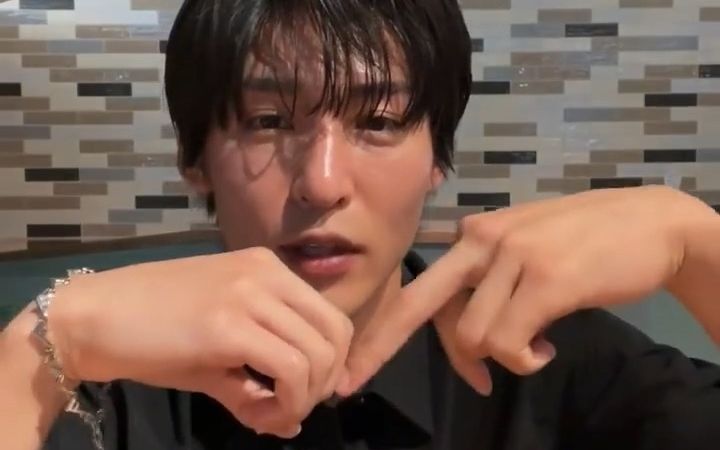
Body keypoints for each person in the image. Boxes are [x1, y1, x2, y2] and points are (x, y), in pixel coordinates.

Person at [1, 0, 720, 449]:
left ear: (437, 157)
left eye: (378, 121)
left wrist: (696, 247)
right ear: (196, 159)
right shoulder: (102, 390)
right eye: (268, 121)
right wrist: (38, 348)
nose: (321, 183)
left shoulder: (546, 360)